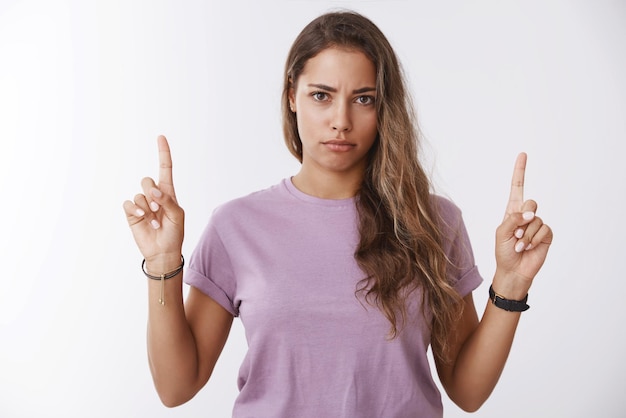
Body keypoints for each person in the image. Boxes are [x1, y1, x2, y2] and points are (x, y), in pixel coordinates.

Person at [123, 10, 552, 417]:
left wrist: (511, 284)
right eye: (321, 96)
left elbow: (468, 390)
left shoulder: (432, 222)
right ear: (292, 96)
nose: (341, 121)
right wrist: (163, 263)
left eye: (363, 98)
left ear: (384, 108)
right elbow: (176, 387)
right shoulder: (236, 226)